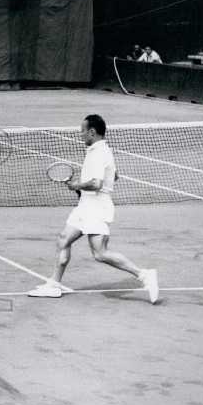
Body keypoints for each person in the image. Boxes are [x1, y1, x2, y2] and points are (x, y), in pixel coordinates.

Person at [28, 114, 159, 303]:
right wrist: (86, 188)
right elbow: (114, 177)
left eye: (82, 131)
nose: (80, 135)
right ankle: (54, 285)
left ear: (92, 132)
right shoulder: (100, 150)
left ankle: (143, 274)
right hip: (87, 206)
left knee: (100, 253)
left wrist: (77, 186)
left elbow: (97, 184)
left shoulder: (99, 152)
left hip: (96, 208)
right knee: (64, 239)